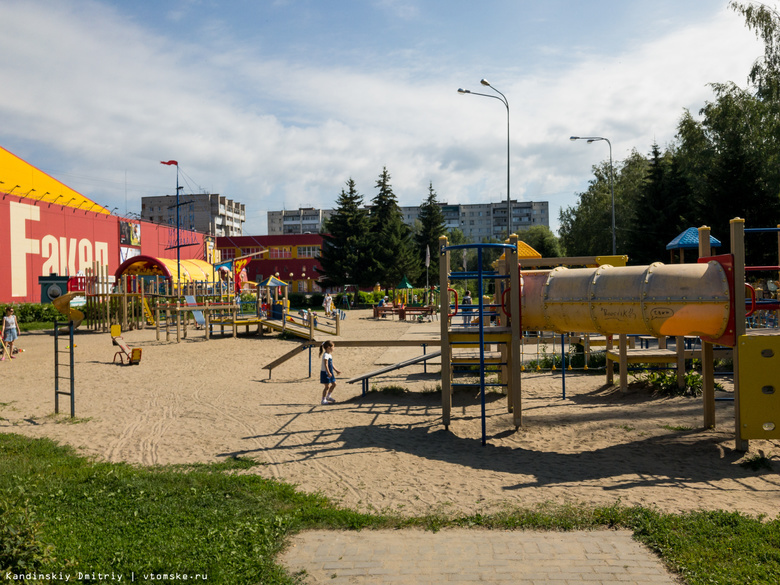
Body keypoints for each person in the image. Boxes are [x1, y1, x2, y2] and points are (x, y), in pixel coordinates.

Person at [319, 340, 341, 405]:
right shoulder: (325, 355)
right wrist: (328, 372)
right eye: (333, 347)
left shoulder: (329, 355)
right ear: (329, 347)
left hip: (330, 372)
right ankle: (323, 400)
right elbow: (326, 364)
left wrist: (336, 370)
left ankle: (328, 396)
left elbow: (331, 364)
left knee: (334, 384)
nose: (334, 348)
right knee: (327, 387)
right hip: (325, 373)